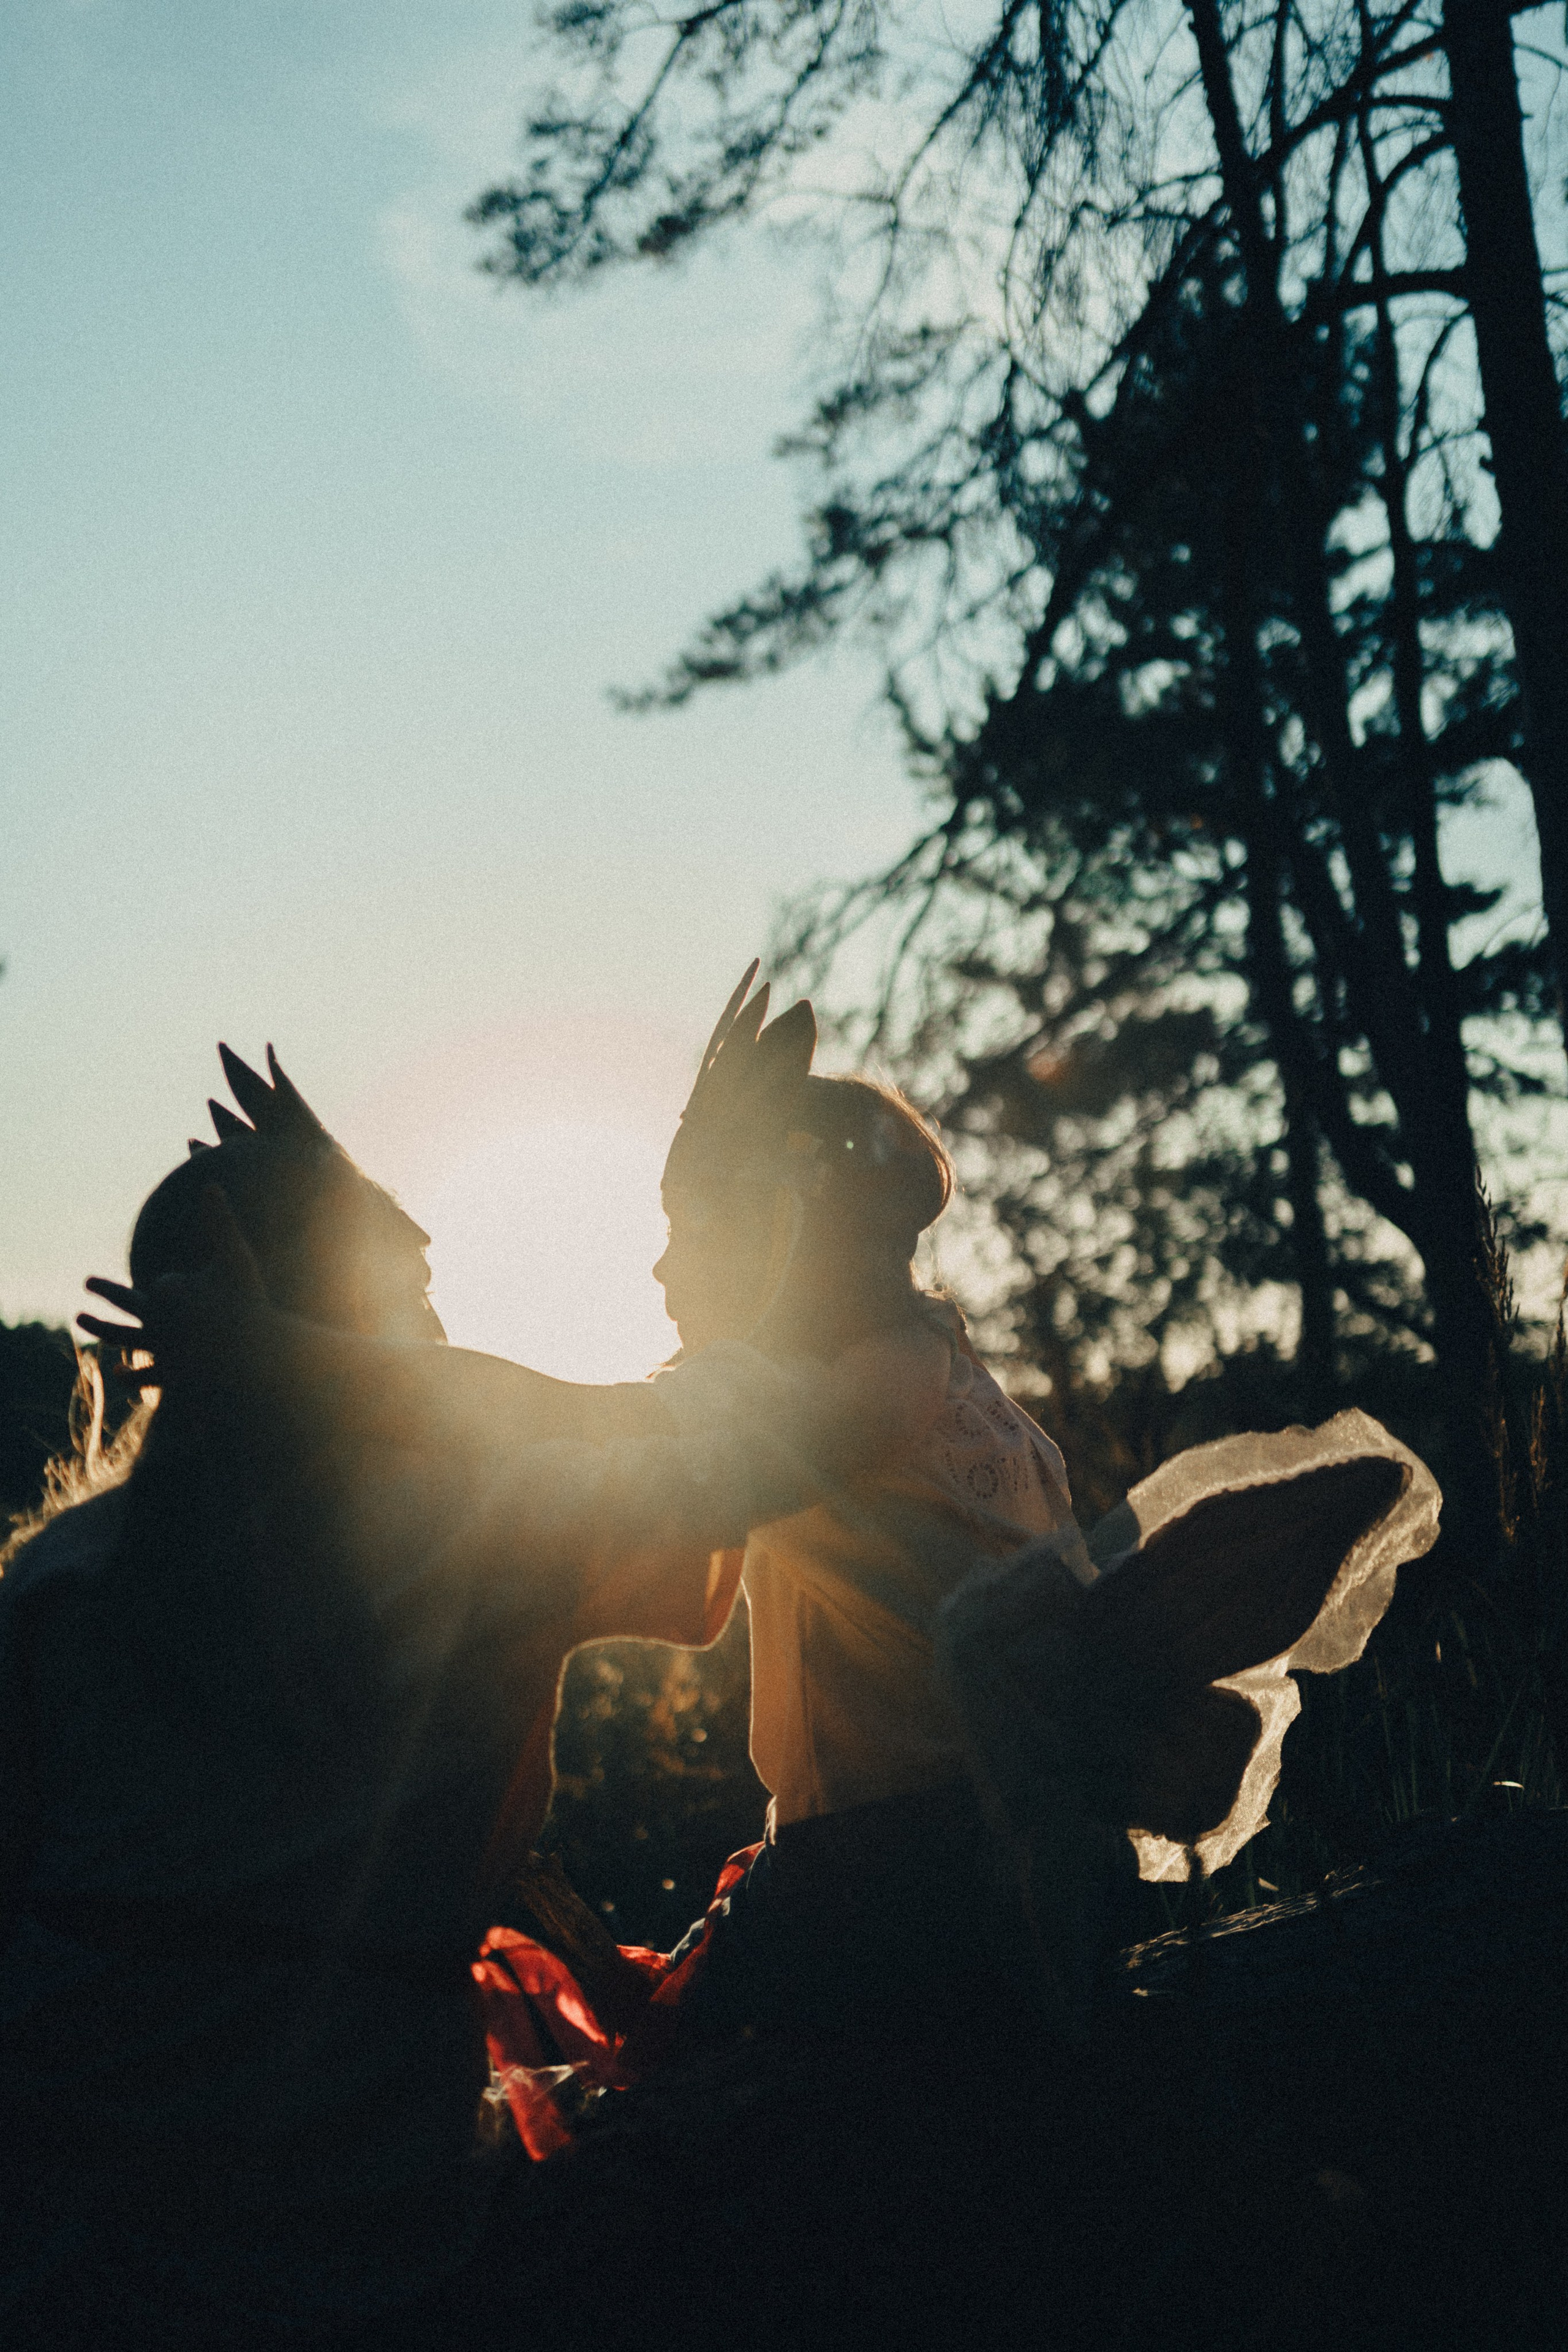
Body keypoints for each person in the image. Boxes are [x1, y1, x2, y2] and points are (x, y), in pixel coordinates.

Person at [0, 1045, 934, 2346]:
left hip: (59, 2229)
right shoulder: (489, 1529)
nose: (442, 1330)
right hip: (346, 2222)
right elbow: (772, 1456)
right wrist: (749, 1231)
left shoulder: (54, 1580)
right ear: (333, 1332)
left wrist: (329, 1225)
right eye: (418, 1293)